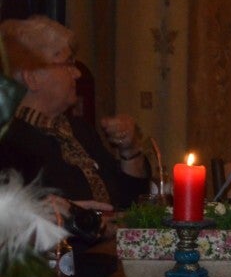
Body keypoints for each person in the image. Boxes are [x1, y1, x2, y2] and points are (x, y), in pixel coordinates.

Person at [0, 16, 150, 218]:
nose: (77, 73)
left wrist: (130, 149)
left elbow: (133, 205)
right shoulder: (10, 144)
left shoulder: (80, 130)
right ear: (32, 77)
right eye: (68, 63)